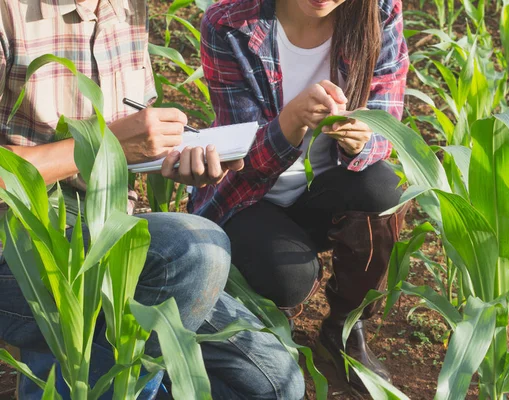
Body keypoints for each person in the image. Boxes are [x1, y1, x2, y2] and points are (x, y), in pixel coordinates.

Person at [0, 0, 305, 399]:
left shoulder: (126, 9)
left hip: (106, 233)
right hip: (19, 246)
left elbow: (134, 138)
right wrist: (106, 144)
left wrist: (176, 156)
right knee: (195, 249)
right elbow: (113, 143)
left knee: (273, 381)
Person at [190, 0, 410, 391]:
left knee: (384, 189)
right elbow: (237, 156)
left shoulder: (378, 12)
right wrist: (290, 121)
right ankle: (272, 321)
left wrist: (363, 139)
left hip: (327, 188)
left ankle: (344, 329)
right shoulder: (229, 23)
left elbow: (386, 118)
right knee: (288, 275)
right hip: (250, 196)